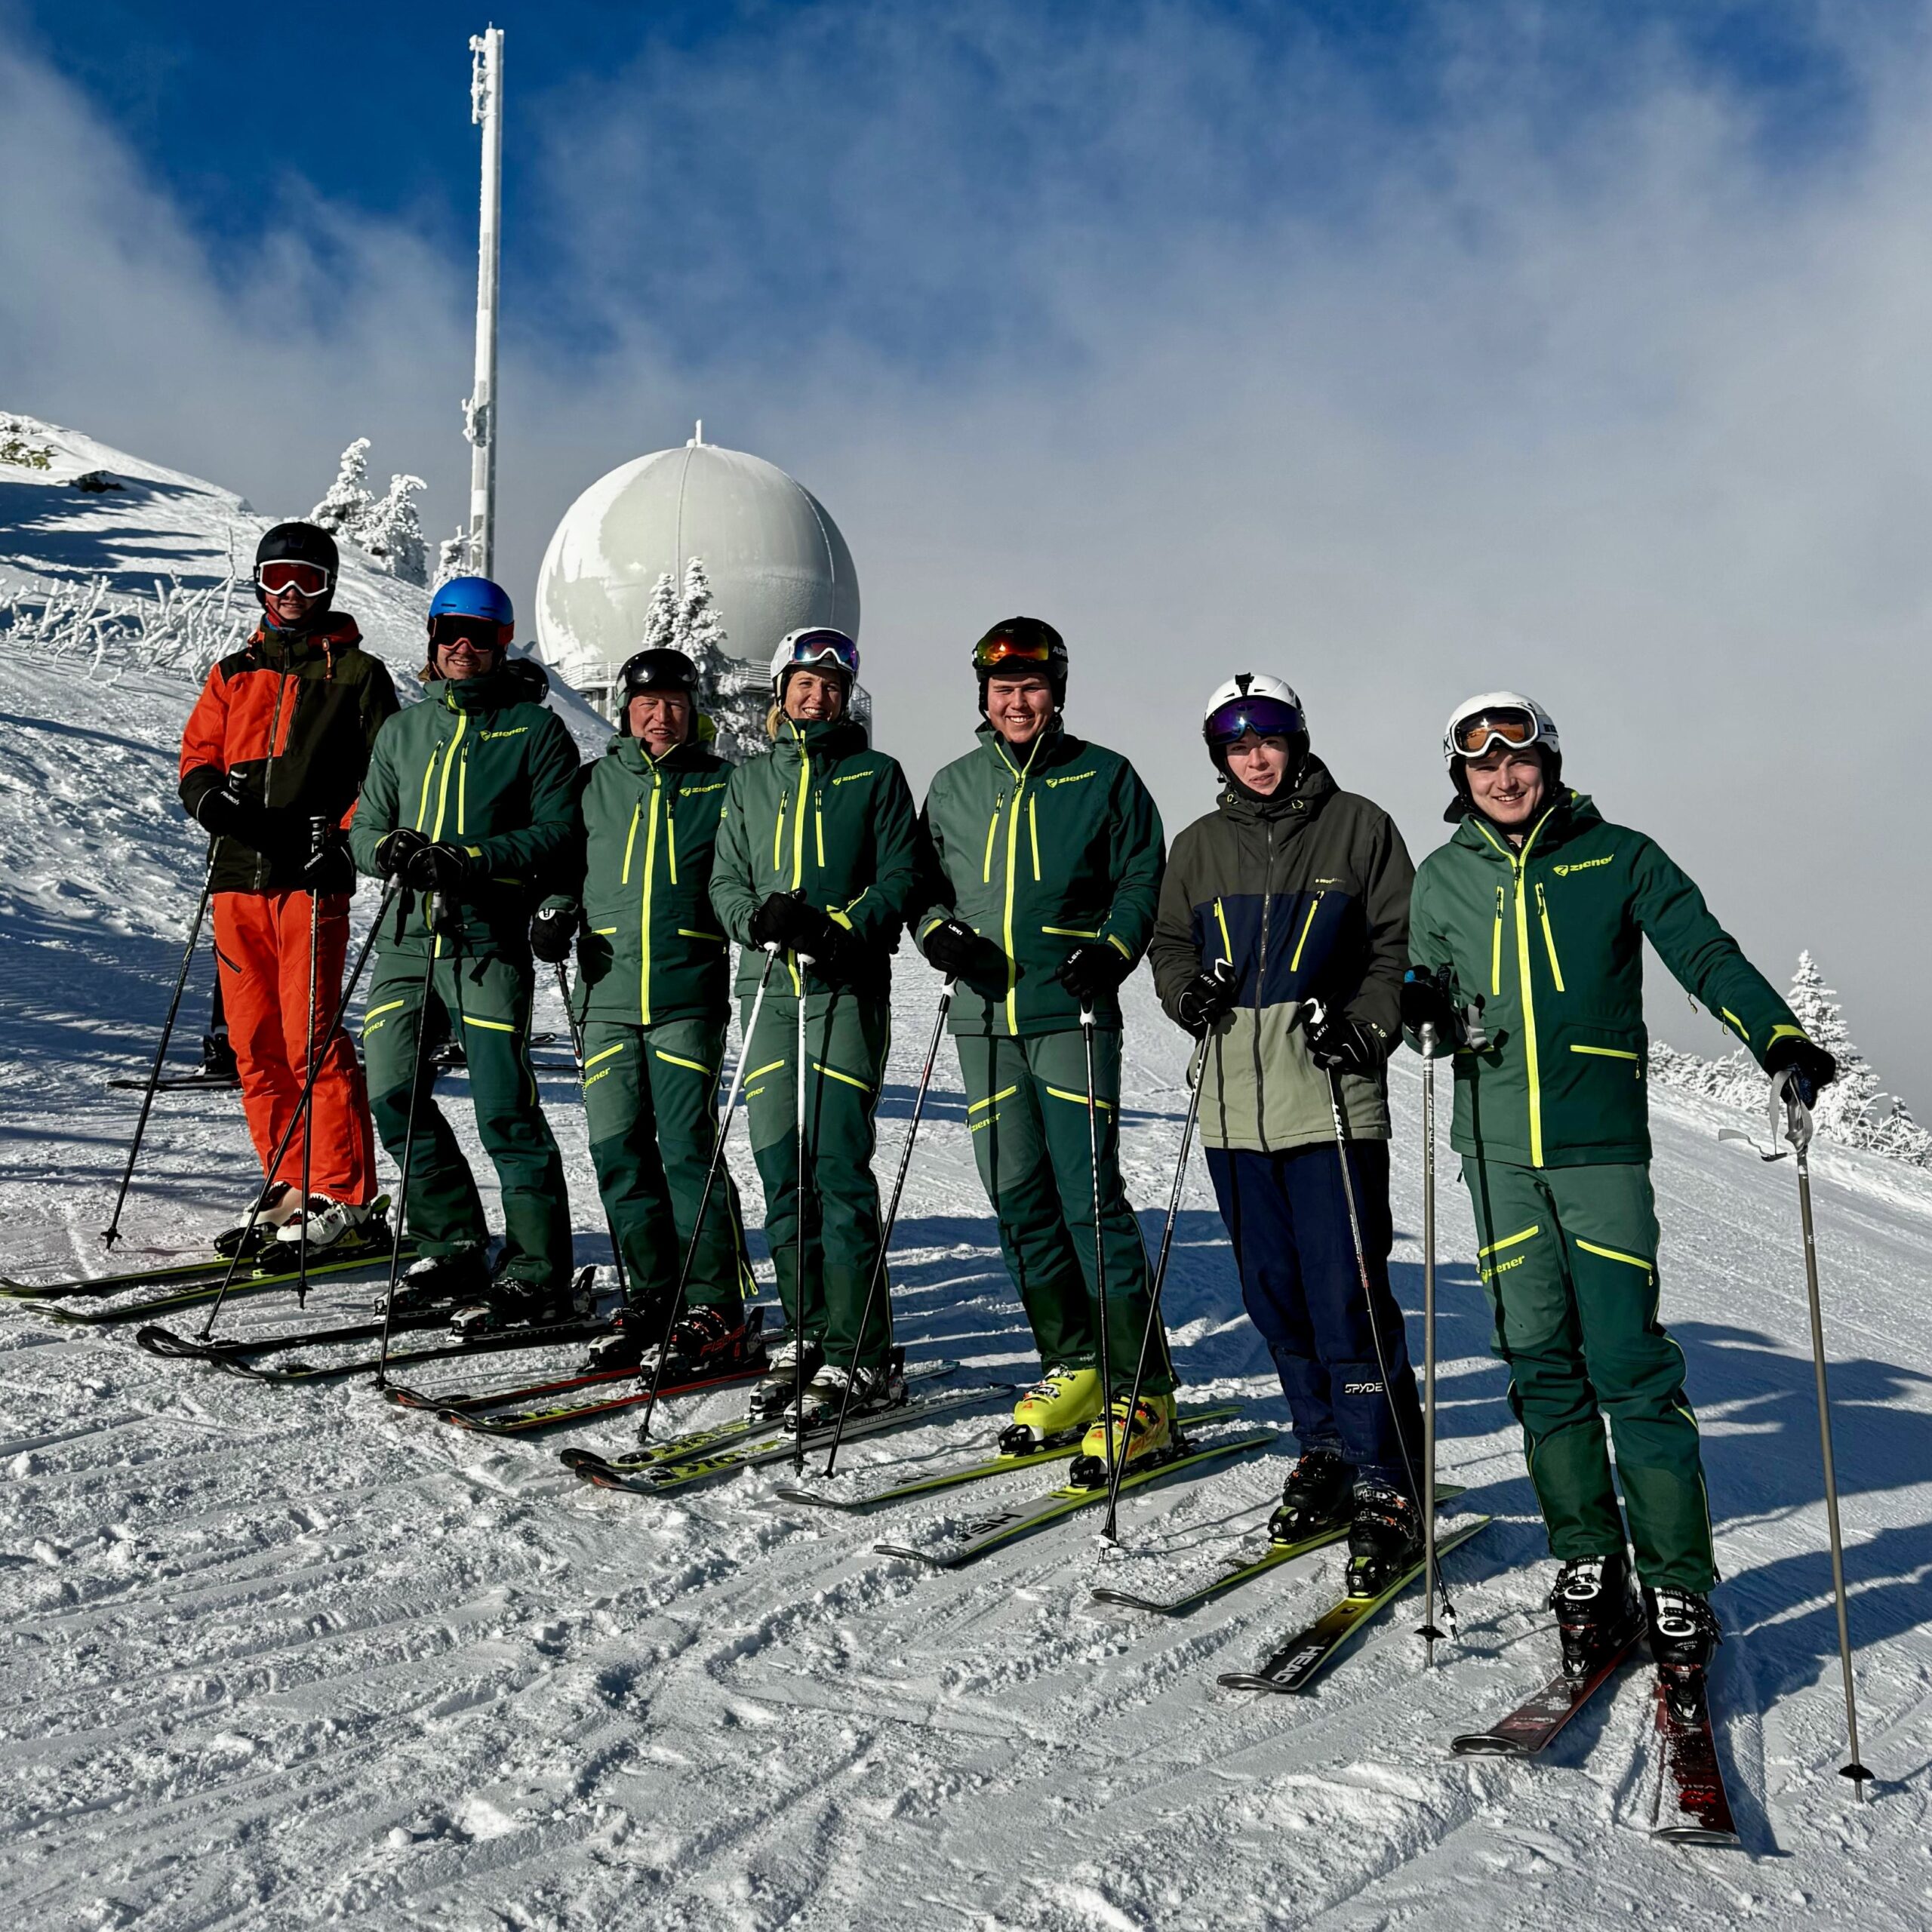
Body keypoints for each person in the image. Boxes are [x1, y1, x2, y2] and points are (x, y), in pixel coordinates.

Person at [1404, 691, 1838, 1681]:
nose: (1503, 778)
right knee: (1541, 1367)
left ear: (1549, 763)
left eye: (1518, 759)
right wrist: (1417, 1008)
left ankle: (1677, 1581)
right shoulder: (1442, 879)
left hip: (1600, 1152)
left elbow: (1704, 954)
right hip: (1496, 1155)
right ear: (1461, 780)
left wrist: (1778, 1035)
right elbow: (1420, 987)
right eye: (1481, 767)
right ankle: (1590, 1563)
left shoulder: (1619, 858)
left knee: (1630, 1365)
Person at [1148, 675, 1425, 1584]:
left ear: (1297, 739)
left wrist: (1367, 1021)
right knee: (1272, 1292)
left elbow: (1396, 945)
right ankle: (1325, 1449)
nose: (1255, 758)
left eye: (1268, 739)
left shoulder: (1358, 827)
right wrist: (1186, 994)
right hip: (1233, 1107)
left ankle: (1388, 1475)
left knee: (1344, 1292)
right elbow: (1168, 944)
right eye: (1236, 746)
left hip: (1330, 1099)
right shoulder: (1196, 847)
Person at [912, 619, 1170, 1476]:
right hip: (985, 1018)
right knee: (1017, 1197)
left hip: (1071, 1011)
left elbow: (1141, 873)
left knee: (1089, 1198)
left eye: (1031, 686)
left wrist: (1114, 947)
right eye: (1001, 688)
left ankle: (1144, 1388)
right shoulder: (953, 784)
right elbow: (923, 881)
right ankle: (1078, 1363)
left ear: (1055, 691)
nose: (1016, 701)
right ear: (983, 696)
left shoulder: (1104, 777)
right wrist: (936, 931)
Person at [346, 577, 582, 1326]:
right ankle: (449, 1239)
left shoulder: (533, 731)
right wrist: (392, 848)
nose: (462, 646)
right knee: (389, 1090)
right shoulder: (404, 731)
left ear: (501, 644)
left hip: (487, 942)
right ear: (432, 636)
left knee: (504, 1107)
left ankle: (538, 1265)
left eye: (479, 636)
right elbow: (362, 829)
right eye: (450, 631)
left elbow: (557, 831)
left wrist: (469, 858)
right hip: (408, 940)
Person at [708, 628, 922, 1428]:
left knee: (837, 1169)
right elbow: (725, 877)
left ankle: (861, 1352)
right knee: (780, 1172)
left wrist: (843, 925)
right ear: (781, 689)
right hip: (768, 990)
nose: (817, 696)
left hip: (842, 989)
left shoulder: (875, 776)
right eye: (804, 682)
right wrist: (752, 920)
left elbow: (901, 870)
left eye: (831, 685)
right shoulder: (752, 779)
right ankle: (804, 1335)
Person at [534, 647, 758, 1377]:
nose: (659, 716)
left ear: (692, 710)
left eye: (673, 703)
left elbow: (749, 870)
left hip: (687, 989)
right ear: (625, 710)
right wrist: (558, 909)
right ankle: (653, 1292)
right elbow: (566, 866)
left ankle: (715, 1300)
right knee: (618, 1146)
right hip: (605, 991)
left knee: (686, 1145)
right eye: (645, 703)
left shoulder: (722, 784)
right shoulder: (596, 782)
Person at [178, 521, 396, 1252]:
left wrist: (339, 836)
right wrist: (213, 801)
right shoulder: (234, 671)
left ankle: (344, 1190)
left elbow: (384, 775)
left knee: (312, 1038)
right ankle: (290, 1175)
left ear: (329, 585)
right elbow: (198, 754)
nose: (292, 594)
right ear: (260, 585)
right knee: (255, 1043)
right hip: (238, 877)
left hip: (308, 881)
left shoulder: (357, 676)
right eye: (277, 579)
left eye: (306, 579)